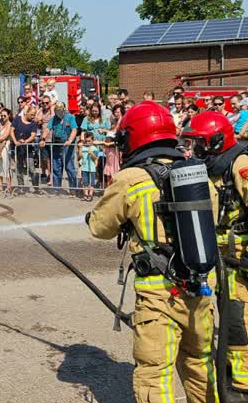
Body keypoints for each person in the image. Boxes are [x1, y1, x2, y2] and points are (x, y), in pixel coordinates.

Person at [87, 101, 218, 403]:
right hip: (199, 286)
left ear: (133, 137)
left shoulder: (131, 179)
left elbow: (100, 227)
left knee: (155, 375)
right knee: (200, 365)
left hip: (159, 293)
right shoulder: (196, 174)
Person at [182, 112, 248, 402]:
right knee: (222, 313)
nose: (195, 149)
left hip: (239, 253)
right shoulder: (213, 166)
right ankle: (229, 368)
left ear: (215, 141)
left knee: (238, 316)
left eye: (199, 144)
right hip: (218, 252)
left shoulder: (242, 165)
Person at [42, 102, 79, 194]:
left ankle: (73, 189)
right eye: (57, 110)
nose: (58, 112)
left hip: (67, 146)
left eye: (60, 110)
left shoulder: (70, 117)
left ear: (64, 109)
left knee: (69, 167)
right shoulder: (54, 118)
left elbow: (74, 130)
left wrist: (70, 140)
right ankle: (56, 189)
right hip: (56, 145)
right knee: (56, 167)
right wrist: (43, 139)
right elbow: (48, 128)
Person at [11, 106, 39, 193]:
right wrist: (15, 141)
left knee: (32, 169)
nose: (33, 116)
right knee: (19, 169)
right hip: (17, 148)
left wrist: (25, 141)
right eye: (32, 114)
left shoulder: (33, 123)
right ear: (26, 113)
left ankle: (36, 188)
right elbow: (11, 131)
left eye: (34, 115)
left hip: (28, 149)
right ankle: (21, 187)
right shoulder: (17, 119)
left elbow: (33, 135)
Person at [78, 131, 98, 202]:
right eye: (86, 141)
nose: (87, 143)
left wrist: (91, 153)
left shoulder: (94, 148)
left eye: (89, 141)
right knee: (85, 182)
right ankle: (85, 194)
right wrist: (80, 149)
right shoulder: (83, 147)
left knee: (92, 183)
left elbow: (95, 158)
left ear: (92, 140)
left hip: (91, 168)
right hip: (84, 168)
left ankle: (90, 194)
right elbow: (80, 156)